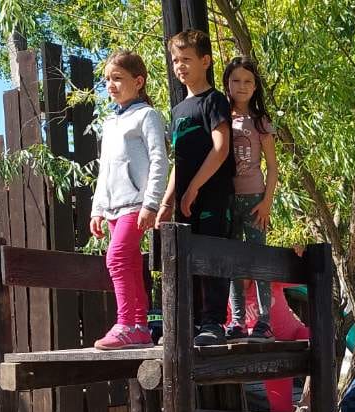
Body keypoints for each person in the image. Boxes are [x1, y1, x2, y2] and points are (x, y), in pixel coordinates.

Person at [159, 31, 236, 346]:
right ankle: (186, 323)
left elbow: (221, 148)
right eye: (176, 60)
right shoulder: (178, 110)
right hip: (184, 201)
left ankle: (213, 323)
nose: (180, 66)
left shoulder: (214, 101)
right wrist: (167, 201)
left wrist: (194, 188)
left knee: (213, 256)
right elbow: (178, 160)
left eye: (186, 59)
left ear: (205, 61)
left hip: (213, 196)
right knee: (184, 259)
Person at [90, 51, 170, 350]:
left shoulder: (147, 116)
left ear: (138, 81)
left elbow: (159, 160)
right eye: (107, 80)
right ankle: (139, 326)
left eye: (117, 78)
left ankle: (125, 323)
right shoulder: (110, 122)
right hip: (113, 205)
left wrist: (151, 203)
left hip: (136, 204)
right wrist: (98, 209)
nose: (110, 85)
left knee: (117, 258)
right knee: (131, 263)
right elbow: (105, 169)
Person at [221, 57, 280, 342]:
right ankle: (237, 320)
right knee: (233, 262)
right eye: (236, 80)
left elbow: (273, 166)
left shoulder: (259, 122)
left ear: (255, 87)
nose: (242, 86)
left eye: (247, 81)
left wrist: (267, 201)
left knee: (259, 259)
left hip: (255, 198)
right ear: (227, 84)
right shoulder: (221, 118)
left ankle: (264, 321)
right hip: (228, 199)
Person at [260, 281, 311, 412]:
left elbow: (302, 275)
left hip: (296, 337)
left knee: (318, 347)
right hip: (273, 354)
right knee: (279, 410)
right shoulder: (232, 294)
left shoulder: (268, 279)